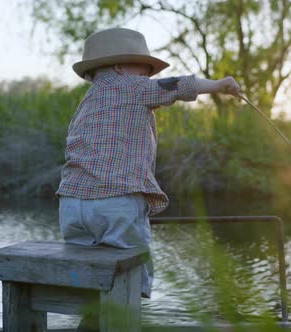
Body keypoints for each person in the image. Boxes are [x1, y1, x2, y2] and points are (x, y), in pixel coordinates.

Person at [56, 27, 239, 331]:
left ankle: (91, 322)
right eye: (144, 67)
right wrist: (221, 84)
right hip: (116, 200)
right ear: (119, 67)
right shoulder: (133, 87)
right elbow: (178, 85)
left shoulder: (86, 101)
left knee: (91, 273)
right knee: (130, 273)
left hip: (72, 204)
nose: (148, 74)